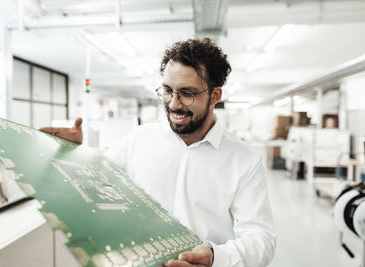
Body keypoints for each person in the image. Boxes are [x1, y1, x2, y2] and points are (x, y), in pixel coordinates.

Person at [40, 38, 276, 267]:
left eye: (187, 93)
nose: (174, 103)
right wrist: (74, 151)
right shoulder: (139, 139)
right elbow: (96, 175)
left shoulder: (244, 160)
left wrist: (215, 257)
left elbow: (260, 239)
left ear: (214, 96)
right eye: (167, 90)